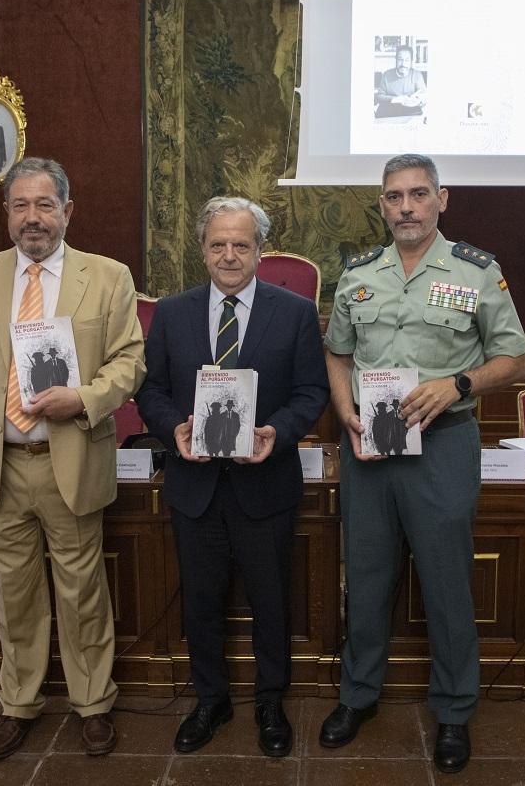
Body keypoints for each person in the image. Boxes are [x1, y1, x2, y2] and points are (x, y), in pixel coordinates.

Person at [321, 153, 525, 774]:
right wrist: (344, 413)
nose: (405, 207)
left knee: (445, 583)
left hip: (443, 445)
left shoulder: (475, 270)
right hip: (370, 446)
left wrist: (457, 385)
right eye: (393, 197)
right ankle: (358, 696)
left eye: (417, 194)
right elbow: (337, 353)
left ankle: (455, 710)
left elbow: (515, 358)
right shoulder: (359, 273)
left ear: (443, 199)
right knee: (366, 578)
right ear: (381, 204)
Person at [0, 157, 145, 760]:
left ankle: (94, 705)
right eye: (21, 206)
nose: (34, 218)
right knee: (16, 595)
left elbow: (130, 363)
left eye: (45, 205)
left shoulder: (107, 277)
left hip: (71, 458)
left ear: (67, 211)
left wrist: (83, 396)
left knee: (83, 592)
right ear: (6, 213)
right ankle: (19, 704)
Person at [135, 196, 329, 757]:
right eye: (217, 244)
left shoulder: (292, 313)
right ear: (202, 249)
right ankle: (211, 701)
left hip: (264, 484)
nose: (228, 255)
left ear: (260, 251)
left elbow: (312, 393)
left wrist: (276, 433)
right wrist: (173, 429)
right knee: (201, 602)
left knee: (272, 601)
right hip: (194, 487)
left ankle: (271, 702)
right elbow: (150, 391)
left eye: (240, 244)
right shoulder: (172, 313)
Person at [375, 45, 427, 118]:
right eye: (400, 59)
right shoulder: (386, 75)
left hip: (411, 113)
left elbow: (424, 96)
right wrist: (396, 99)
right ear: (395, 59)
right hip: (390, 113)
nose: (403, 64)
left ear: (411, 61)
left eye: (407, 60)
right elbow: (379, 97)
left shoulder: (417, 75)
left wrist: (419, 100)